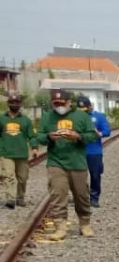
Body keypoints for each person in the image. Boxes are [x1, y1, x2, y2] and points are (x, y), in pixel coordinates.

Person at [37, 89, 98, 240]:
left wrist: (77, 136)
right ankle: (60, 226)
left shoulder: (82, 116)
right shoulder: (47, 117)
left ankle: (85, 224)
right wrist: (49, 137)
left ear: (69, 103)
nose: (58, 106)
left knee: (81, 194)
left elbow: (92, 135)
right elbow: (39, 136)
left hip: (77, 162)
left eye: (61, 103)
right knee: (58, 194)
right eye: (55, 103)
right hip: (56, 162)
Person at [1, 94, 36, 209]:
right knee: (8, 176)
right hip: (6, 153)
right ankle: (10, 198)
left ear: (20, 104)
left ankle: (20, 197)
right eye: (12, 102)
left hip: (21, 153)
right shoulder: (1, 118)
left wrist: (34, 148)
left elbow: (31, 136)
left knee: (23, 178)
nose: (14, 104)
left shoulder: (26, 120)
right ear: (8, 103)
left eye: (17, 102)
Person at [77, 97, 110, 207]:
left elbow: (107, 131)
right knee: (78, 176)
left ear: (90, 106)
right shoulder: (77, 118)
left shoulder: (99, 117)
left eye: (85, 109)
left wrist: (99, 133)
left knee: (95, 175)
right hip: (79, 151)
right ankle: (83, 196)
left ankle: (94, 198)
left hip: (94, 152)